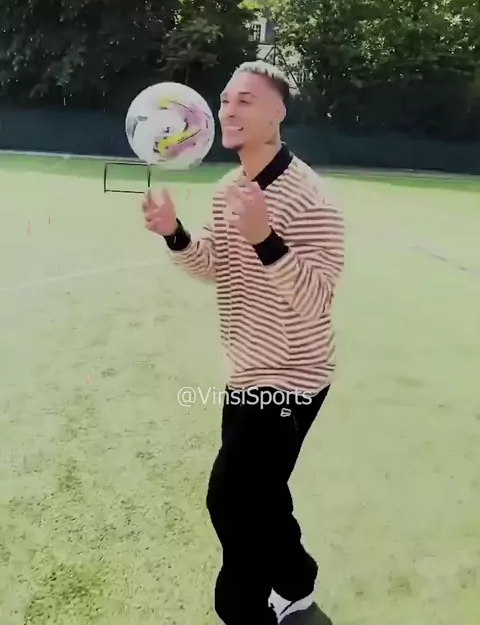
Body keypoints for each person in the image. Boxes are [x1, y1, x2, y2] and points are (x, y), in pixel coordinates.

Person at [142, 61, 345, 625]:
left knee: (231, 499)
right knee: (263, 492)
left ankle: (243, 612)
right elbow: (216, 267)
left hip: (293, 378)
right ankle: (296, 584)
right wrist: (175, 234)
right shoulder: (228, 190)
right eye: (226, 100)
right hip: (246, 370)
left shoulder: (310, 199)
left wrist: (266, 239)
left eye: (246, 100)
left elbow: (317, 300)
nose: (228, 110)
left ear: (278, 112)